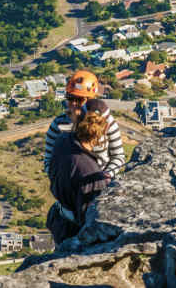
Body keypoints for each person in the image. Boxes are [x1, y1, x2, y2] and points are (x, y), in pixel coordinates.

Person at [43, 70, 124, 178]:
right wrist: (60, 179)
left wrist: (106, 176)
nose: (73, 103)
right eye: (70, 98)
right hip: (70, 184)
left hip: (101, 180)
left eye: (79, 99)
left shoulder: (106, 121)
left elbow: (118, 156)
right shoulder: (58, 125)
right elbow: (49, 160)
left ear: (90, 100)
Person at [46, 110, 110, 244]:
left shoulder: (62, 141)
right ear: (97, 137)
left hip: (59, 217)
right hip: (73, 231)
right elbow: (88, 219)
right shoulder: (90, 173)